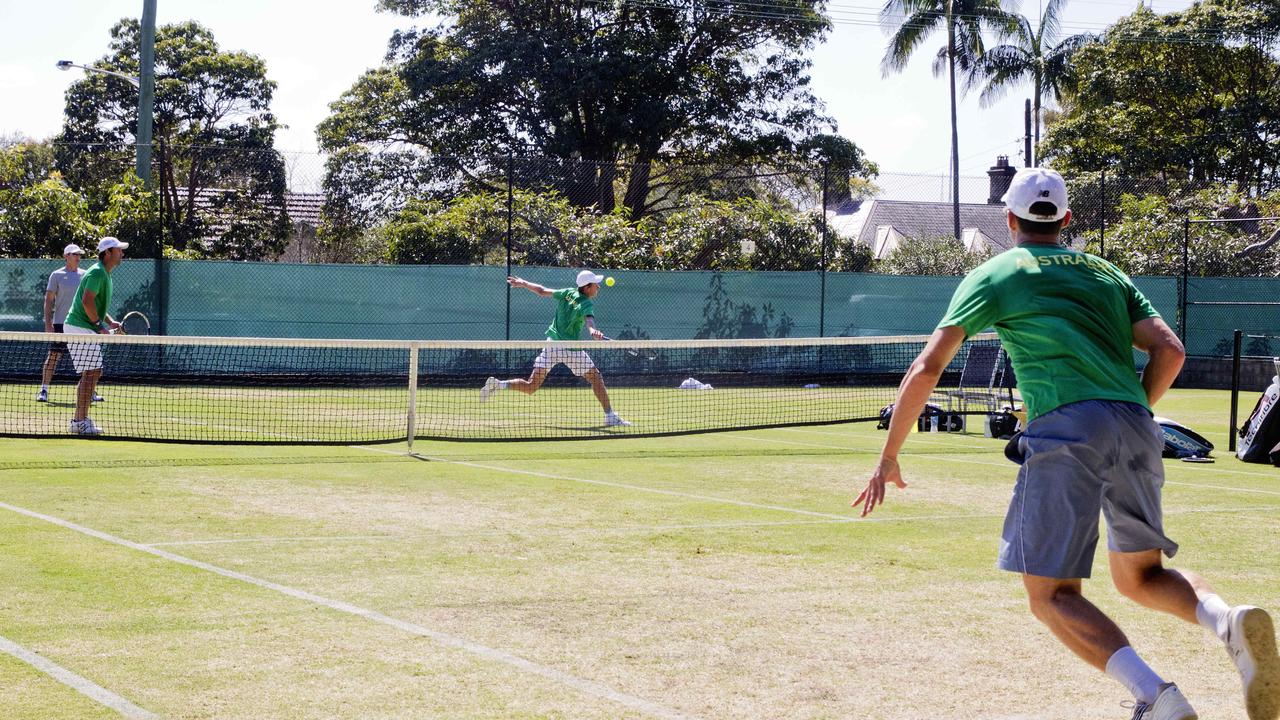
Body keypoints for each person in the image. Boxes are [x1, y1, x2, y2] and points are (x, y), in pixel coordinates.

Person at [854, 168, 1279, 720]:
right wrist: (1128, 412)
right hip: (1137, 426)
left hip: (1065, 430)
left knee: (1052, 594)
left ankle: (1159, 700)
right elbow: (1170, 351)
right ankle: (1226, 620)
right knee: (1142, 577)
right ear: (1067, 220)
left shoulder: (997, 272)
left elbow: (928, 365)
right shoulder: (1105, 272)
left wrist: (889, 456)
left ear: (1009, 220)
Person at [481, 270, 631, 427]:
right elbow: (589, 322)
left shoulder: (567, 292)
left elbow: (541, 291)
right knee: (596, 379)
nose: (598, 287)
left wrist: (524, 283)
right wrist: (593, 331)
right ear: (587, 287)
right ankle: (610, 416)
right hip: (571, 350)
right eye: (595, 284)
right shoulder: (586, 303)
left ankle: (499, 384)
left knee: (531, 386)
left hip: (551, 345)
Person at [62, 237, 128, 435]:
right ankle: (79, 421)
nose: (122, 254)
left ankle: (79, 420)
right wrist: (99, 326)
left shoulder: (104, 274)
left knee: (92, 373)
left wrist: (109, 322)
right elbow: (86, 301)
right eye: (118, 250)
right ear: (107, 253)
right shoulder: (98, 272)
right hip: (79, 327)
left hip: (83, 327)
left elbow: (96, 303)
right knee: (92, 372)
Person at [35, 244, 101, 403]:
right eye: (74, 254)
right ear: (66, 256)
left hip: (82, 325)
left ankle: (90, 391)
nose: (78, 257)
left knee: (88, 359)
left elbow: (91, 301)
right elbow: (49, 301)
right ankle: (44, 390)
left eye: (79, 254)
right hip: (60, 324)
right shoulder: (56, 275)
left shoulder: (86, 275)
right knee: (53, 356)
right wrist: (48, 323)